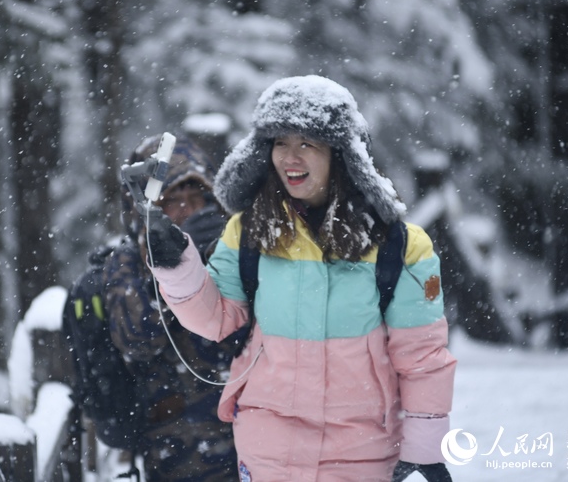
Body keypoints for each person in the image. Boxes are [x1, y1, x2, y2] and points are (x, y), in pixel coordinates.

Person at [144, 75, 457, 481]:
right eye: (279, 142)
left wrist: (426, 450)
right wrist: (176, 266)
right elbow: (216, 318)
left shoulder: (400, 245)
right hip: (268, 449)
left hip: (363, 451)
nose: (290, 158)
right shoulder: (248, 231)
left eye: (307, 143)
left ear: (340, 154)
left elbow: (422, 360)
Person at [103, 134, 238, 481]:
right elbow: (136, 338)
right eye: (172, 201)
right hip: (178, 447)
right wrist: (172, 272)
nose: (187, 209)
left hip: (246, 437)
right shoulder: (129, 261)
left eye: (197, 197)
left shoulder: (232, 248)